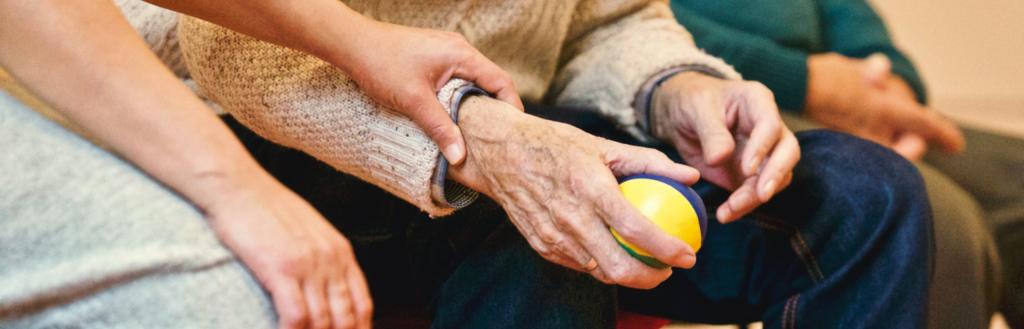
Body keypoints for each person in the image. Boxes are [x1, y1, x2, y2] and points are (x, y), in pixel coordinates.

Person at [1, 2, 931, 329]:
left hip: (529, 128)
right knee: (538, 231)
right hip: (297, 142)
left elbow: (609, 18)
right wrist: (472, 137)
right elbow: (229, 46)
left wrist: (676, 88)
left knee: (866, 196)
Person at [667, 1, 1020, 328]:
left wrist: (891, 86)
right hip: (708, 97)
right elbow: (633, 26)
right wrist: (808, 83)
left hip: (845, 93)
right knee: (925, 213)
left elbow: (848, 12)